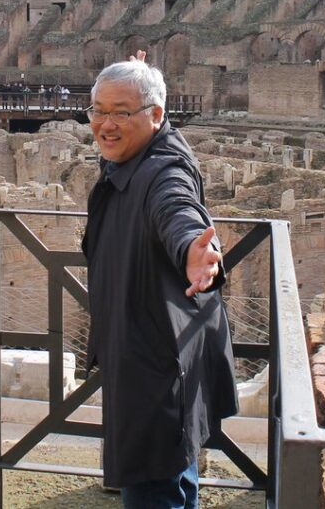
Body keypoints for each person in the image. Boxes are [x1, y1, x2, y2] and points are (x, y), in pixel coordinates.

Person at [82, 54, 237, 507]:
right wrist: (138, 80)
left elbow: (178, 210)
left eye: (120, 113)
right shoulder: (149, 150)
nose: (105, 124)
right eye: (98, 110)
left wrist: (193, 249)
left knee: (153, 487)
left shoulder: (162, 171)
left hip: (157, 366)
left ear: (156, 116)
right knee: (175, 476)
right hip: (163, 353)